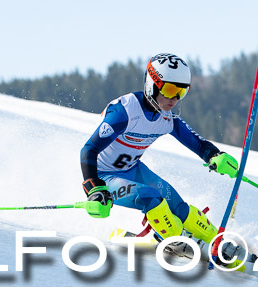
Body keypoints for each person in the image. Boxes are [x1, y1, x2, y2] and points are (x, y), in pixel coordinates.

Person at [79, 52, 243, 262]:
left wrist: (215, 156)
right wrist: (94, 188)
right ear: (152, 84)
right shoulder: (125, 112)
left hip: (134, 169)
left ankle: (217, 241)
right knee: (151, 198)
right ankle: (175, 240)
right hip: (105, 175)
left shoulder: (167, 117)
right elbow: (88, 150)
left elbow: (197, 143)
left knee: (179, 208)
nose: (174, 99)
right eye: (170, 90)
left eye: (182, 92)